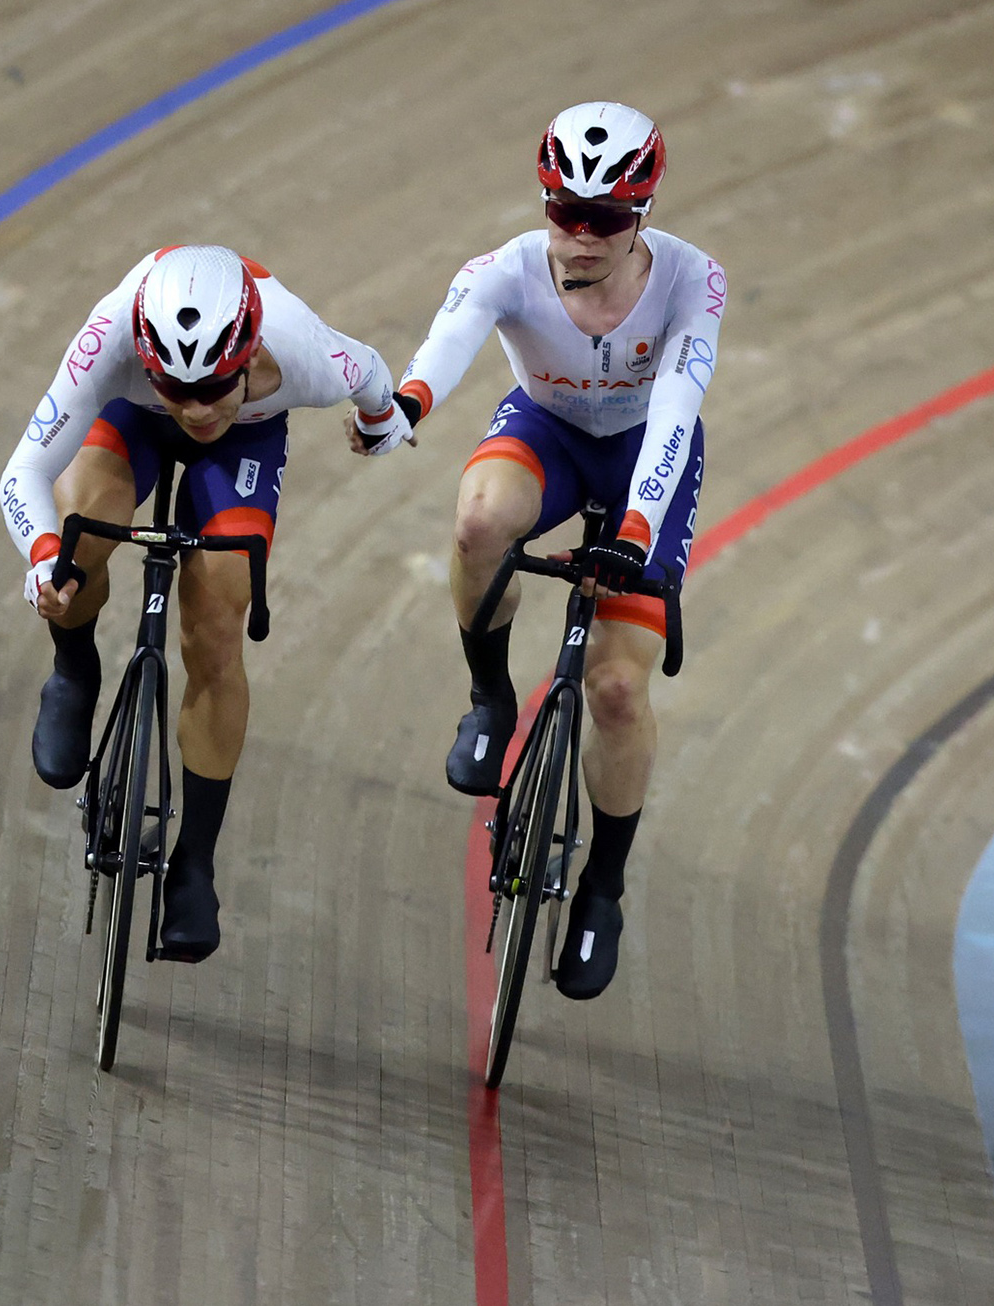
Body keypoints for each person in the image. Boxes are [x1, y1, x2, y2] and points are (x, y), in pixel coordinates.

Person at [358, 102, 723, 999]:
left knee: (617, 686)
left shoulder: (693, 279)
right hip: (550, 433)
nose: (581, 235)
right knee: (480, 524)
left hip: (648, 450)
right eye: (566, 210)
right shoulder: (506, 269)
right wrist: (407, 405)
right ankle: (489, 700)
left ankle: (603, 884)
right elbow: (449, 341)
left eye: (604, 219)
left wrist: (638, 523)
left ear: (643, 213)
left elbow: (677, 404)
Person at [2, 244, 413, 961]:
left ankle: (194, 862)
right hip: (131, 418)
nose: (195, 410)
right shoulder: (110, 338)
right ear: (148, 359)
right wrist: (44, 560)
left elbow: (376, 378)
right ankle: (74, 669)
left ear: (250, 354)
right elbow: (22, 474)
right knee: (76, 539)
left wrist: (382, 425)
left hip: (246, 443)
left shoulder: (304, 351)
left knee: (218, 622)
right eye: (178, 389)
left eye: (214, 388)